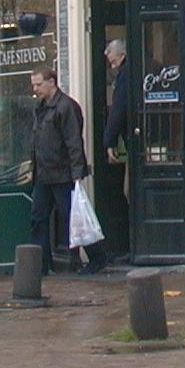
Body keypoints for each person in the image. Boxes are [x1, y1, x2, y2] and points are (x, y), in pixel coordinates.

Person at [30, 67, 107, 275]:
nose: (35, 89)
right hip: (44, 173)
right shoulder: (41, 107)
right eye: (33, 85)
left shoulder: (66, 107)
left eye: (39, 84)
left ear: (52, 82)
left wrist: (76, 173)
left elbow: (73, 140)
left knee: (74, 217)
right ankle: (40, 264)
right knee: (38, 218)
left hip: (62, 173)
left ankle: (97, 257)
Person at [103, 39, 130, 169]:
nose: (113, 67)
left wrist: (110, 141)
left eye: (114, 62)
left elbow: (118, 109)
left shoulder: (125, 73)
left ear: (123, 55)